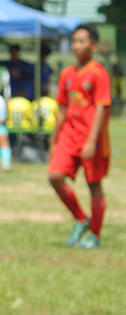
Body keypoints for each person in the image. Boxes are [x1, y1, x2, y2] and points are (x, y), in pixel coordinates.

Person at [48, 23, 111, 250]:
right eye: (74, 41)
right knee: (55, 177)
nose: (76, 46)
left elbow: (102, 108)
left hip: (91, 139)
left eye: (81, 41)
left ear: (93, 45)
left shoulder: (98, 73)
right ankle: (81, 219)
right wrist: (54, 140)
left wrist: (92, 141)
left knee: (94, 185)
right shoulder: (66, 74)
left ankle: (95, 235)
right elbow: (62, 109)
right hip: (69, 136)